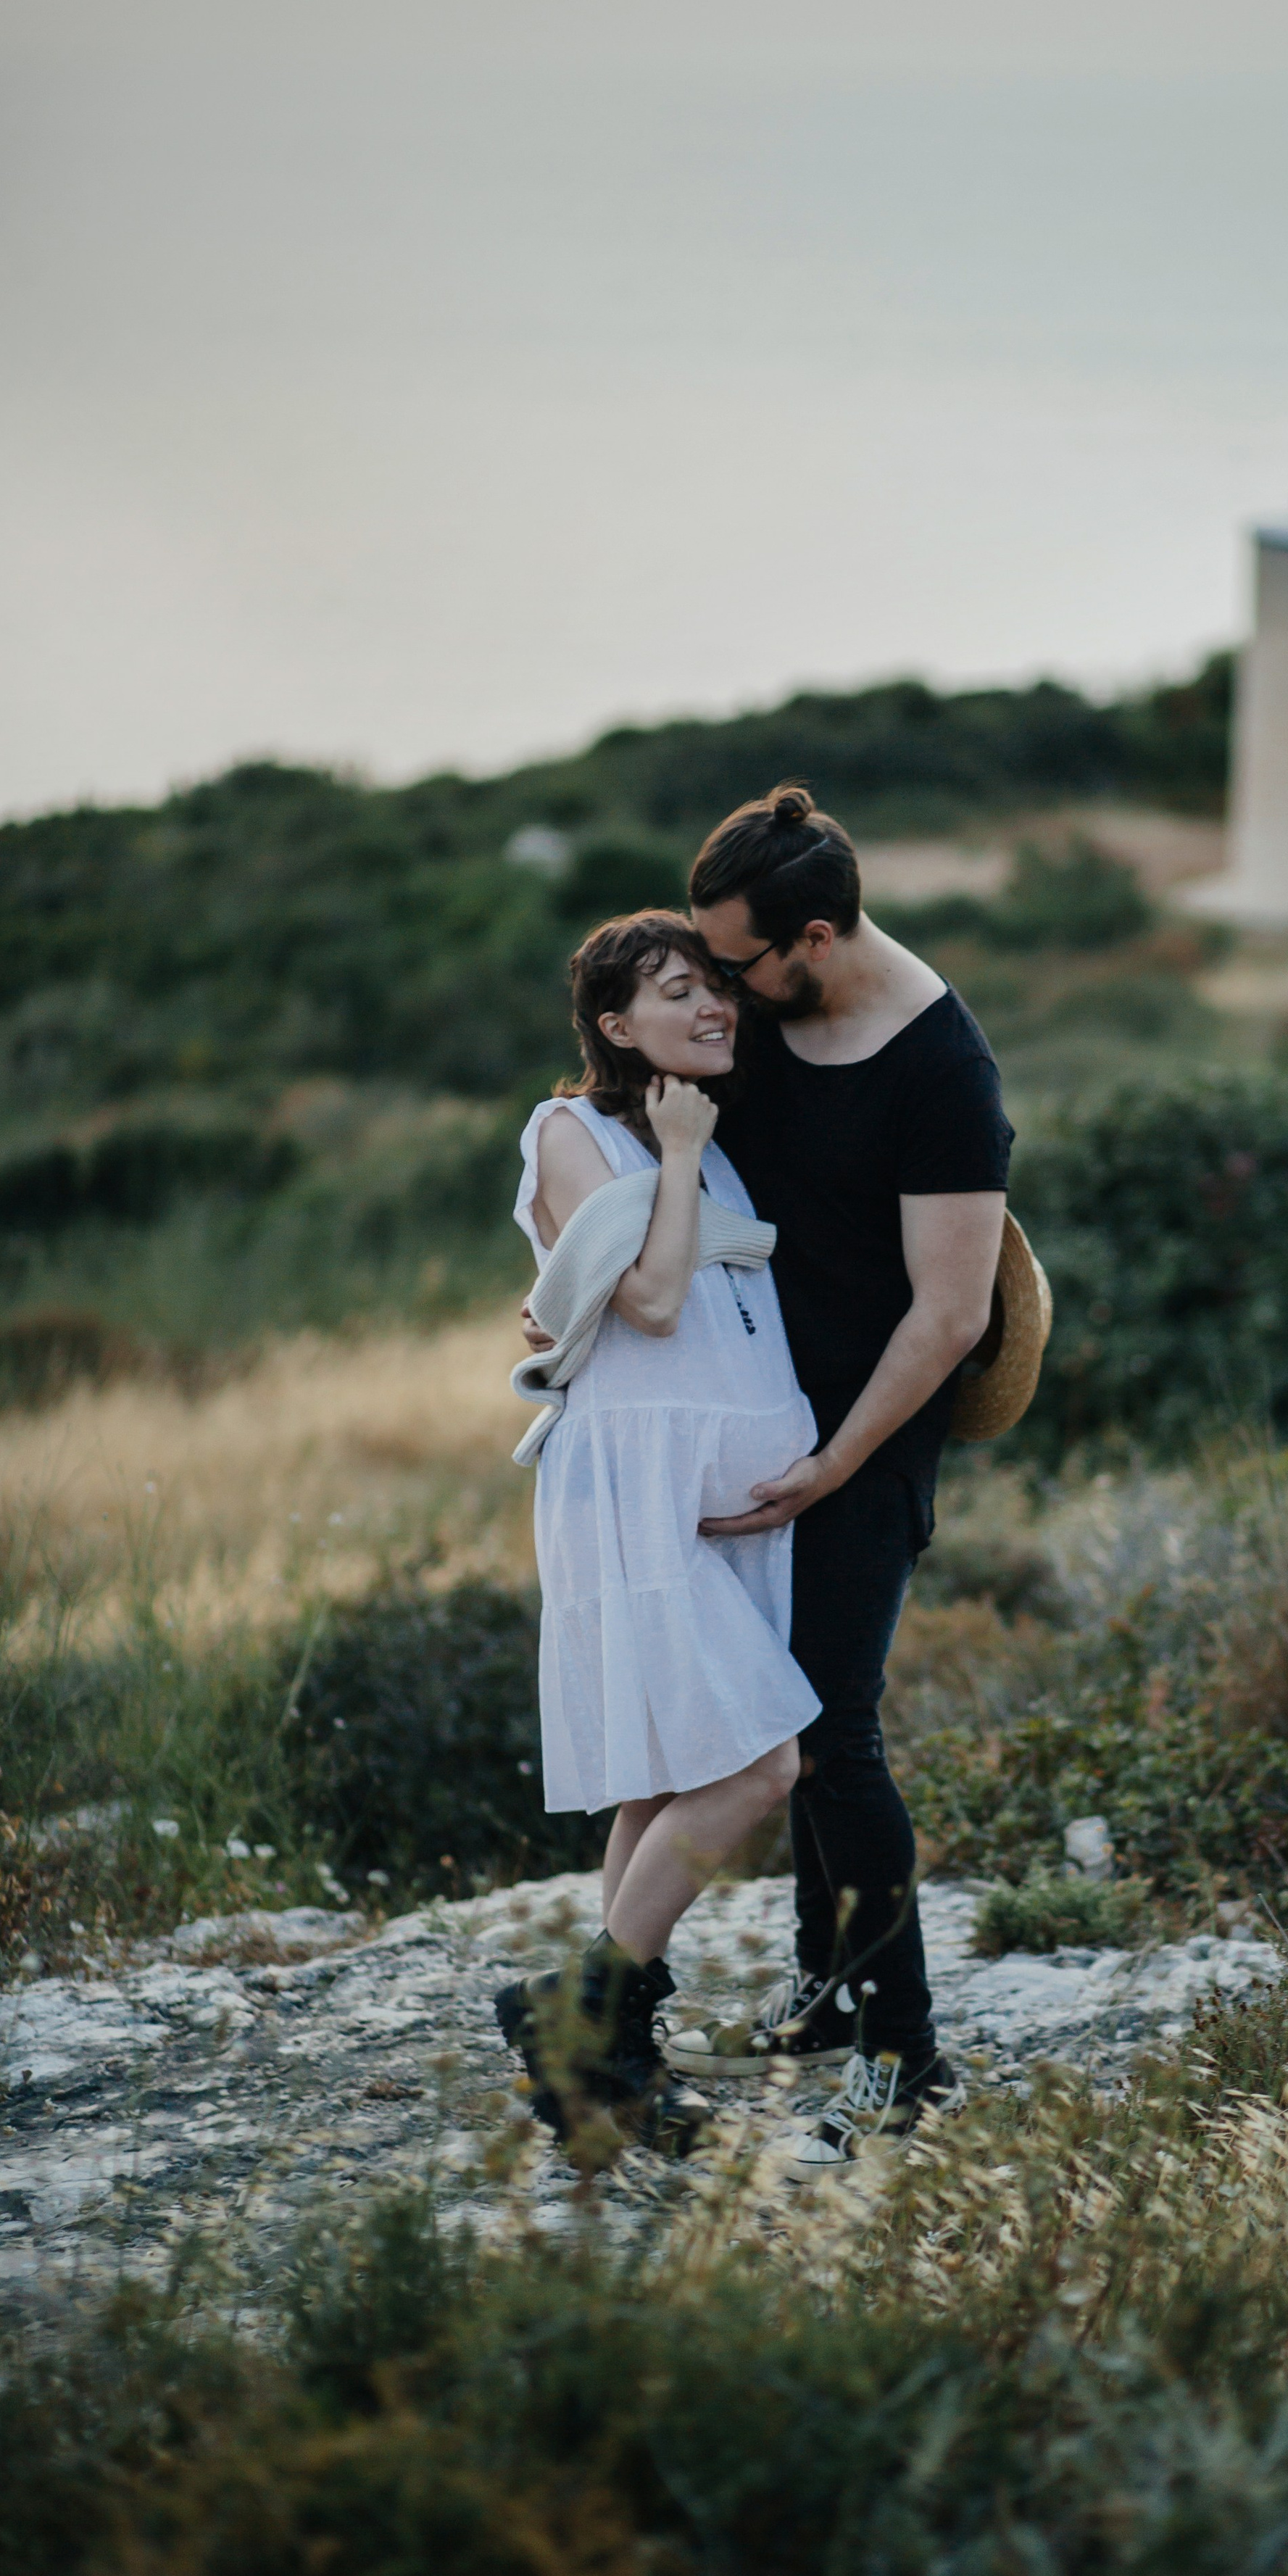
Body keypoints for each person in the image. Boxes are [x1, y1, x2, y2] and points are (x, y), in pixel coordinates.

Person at [684, 782, 1011, 2171]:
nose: (720, 988)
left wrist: (833, 1466)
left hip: (864, 1433)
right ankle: (824, 1986)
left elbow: (948, 1315)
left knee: (835, 1735)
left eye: (738, 963)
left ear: (814, 937)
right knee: (786, 1711)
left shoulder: (940, 1071)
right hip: (756, 1412)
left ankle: (904, 2053)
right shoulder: (771, 1011)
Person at [494, 910, 822, 2153]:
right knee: (760, 1766)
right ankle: (580, 2018)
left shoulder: (718, 1139)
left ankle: (603, 2068)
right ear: (615, 1026)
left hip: (719, 1495)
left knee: (669, 1770)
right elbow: (652, 1295)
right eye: (676, 992)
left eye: (716, 990)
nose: (710, 1008)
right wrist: (680, 1155)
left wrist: (695, 1147)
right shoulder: (570, 1130)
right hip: (631, 1485)